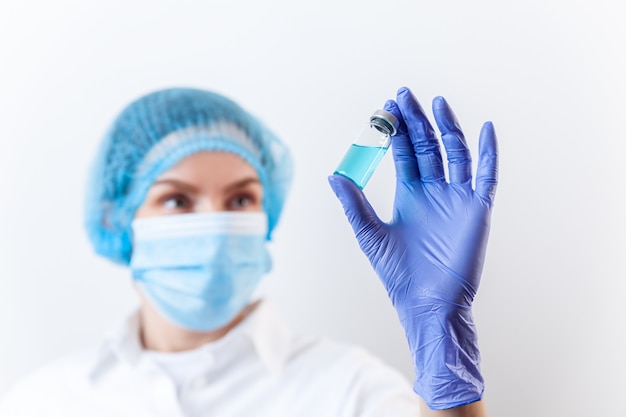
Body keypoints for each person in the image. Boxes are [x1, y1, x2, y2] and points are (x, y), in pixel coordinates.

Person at [0, 85, 498, 417]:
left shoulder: (348, 390)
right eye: (176, 199)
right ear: (117, 219)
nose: (215, 223)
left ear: (268, 214)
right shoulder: (44, 402)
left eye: (240, 199)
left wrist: (442, 336)